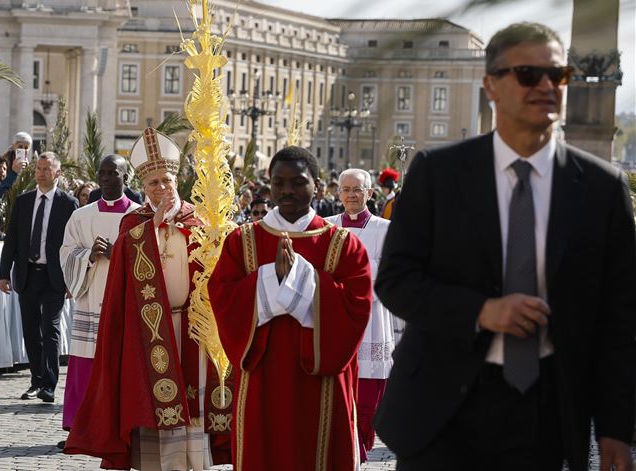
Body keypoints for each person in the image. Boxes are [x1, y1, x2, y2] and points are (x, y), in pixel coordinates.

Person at [374, 22, 636, 471]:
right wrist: (481, 311)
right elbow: (396, 281)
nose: (547, 86)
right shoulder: (439, 174)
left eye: (559, 75)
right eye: (529, 74)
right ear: (490, 85)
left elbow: (620, 318)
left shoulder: (602, 188)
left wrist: (616, 428)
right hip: (441, 408)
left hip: (546, 411)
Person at [63, 127, 231, 470]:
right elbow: (124, 266)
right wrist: (150, 228)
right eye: (153, 183)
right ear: (143, 187)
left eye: (166, 181)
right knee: (156, 400)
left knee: (194, 397)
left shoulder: (196, 221)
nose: (161, 188)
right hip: (150, 330)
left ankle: (194, 462)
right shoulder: (134, 223)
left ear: (177, 182)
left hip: (191, 328)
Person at [209, 146, 373, 470]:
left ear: (316, 184)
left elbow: (357, 306)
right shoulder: (242, 242)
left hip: (321, 378)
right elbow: (223, 298)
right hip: (261, 374)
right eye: (278, 182)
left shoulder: (343, 244)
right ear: (268, 184)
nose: (287, 191)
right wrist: (271, 277)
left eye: (298, 182)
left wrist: (299, 279)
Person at [57, 154, 140, 440]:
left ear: (126, 178)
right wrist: (88, 256)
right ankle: (79, 428)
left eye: (112, 173)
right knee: (85, 365)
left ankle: (120, 429)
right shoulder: (82, 216)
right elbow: (66, 253)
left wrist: (117, 253)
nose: (105, 178)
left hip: (124, 303)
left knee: (121, 365)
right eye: (102, 173)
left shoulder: (140, 217)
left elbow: (150, 261)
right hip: (90, 298)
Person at [325, 168, 397, 462]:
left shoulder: (385, 229)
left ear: (370, 193)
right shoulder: (326, 227)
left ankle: (362, 442)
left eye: (358, 189)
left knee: (368, 388)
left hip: (372, 317)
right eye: (346, 189)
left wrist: (352, 275)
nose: (352, 195)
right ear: (338, 193)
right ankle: (341, 443)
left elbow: (391, 270)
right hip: (337, 317)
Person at [0, 152, 78, 403]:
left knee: (50, 328)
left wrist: (72, 279)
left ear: (58, 173)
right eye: (39, 168)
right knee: (31, 331)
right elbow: (12, 239)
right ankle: (36, 379)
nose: (41, 172)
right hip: (27, 275)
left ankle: (50, 384)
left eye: (47, 169)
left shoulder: (69, 203)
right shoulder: (23, 202)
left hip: (54, 277)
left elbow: (74, 243)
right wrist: (3, 273)